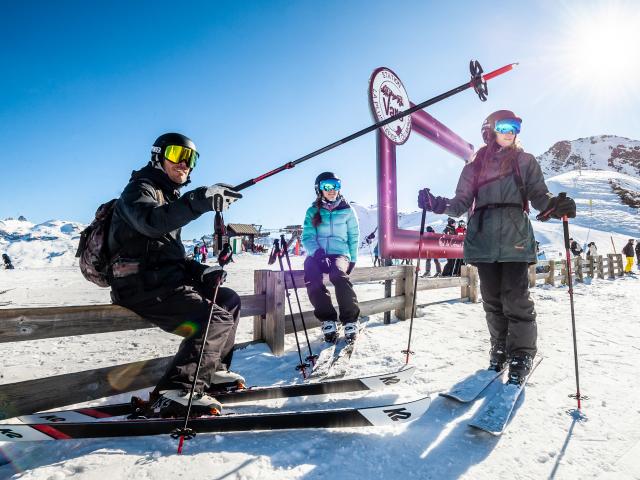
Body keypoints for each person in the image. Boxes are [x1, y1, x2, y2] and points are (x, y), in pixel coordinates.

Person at [417, 110, 576, 385]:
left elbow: (539, 194)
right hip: (484, 239)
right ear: (489, 130)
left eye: (515, 127)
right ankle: (499, 347)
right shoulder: (474, 166)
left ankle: (521, 354)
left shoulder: (524, 161)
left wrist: (554, 204)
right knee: (492, 301)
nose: (511, 131)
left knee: (515, 299)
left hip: (515, 236)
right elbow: (460, 202)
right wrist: (437, 204)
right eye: (505, 126)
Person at [107, 132, 244, 417]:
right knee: (214, 318)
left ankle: (213, 370)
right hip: (139, 285)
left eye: (191, 158)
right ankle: (175, 390)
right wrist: (200, 200)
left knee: (228, 300)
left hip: (163, 281)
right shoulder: (138, 190)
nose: (184, 164)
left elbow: (169, 255)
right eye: (176, 155)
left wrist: (201, 270)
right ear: (158, 156)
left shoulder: (168, 199)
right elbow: (151, 223)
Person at [301, 172, 361, 343]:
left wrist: (353, 259)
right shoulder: (313, 211)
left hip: (339, 252)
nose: (332, 189)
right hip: (317, 253)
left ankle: (350, 320)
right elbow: (307, 236)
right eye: (327, 186)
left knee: (338, 275)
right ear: (319, 189)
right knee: (311, 275)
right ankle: (328, 319)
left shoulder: (347, 210)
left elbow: (353, 236)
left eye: (336, 185)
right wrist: (318, 254)